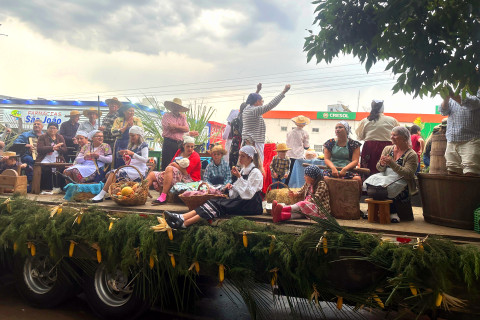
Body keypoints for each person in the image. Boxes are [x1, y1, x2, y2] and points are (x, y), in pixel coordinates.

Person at [163, 145, 263, 229]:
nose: (239, 158)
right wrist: (231, 187)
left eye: (243, 156)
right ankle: (182, 218)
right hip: (242, 200)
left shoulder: (256, 173)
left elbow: (249, 193)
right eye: (240, 155)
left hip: (252, 204)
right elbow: (240, 189)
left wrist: (239, 178)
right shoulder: (243, 170)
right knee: (213, 201)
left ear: (250, 158)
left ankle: (184, 222)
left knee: (218, 205)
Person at [366, 126, 418, 223]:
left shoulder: (411, 154)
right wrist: (382, 163)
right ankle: (375, 211)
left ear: (404, 137)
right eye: (391, 135)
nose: (391, 137)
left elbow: (409, 174)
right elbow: (379, 168)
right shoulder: (388, 149)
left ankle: (391, 212)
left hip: (401, 180)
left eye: (395, 135)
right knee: (372, 183)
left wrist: (392, 163)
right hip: (385, 177)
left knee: (385, 186)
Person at [91, 126, 149, 203]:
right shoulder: (131, 146)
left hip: (138, 170)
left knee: (114, 173)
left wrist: (132, 153)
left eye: (133, 135)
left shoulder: (143, 145)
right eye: (130, 136)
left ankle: (101, 194)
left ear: (138, 135)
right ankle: (113, 193)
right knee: (109, 175)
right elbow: (130, 161)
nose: (131, 138)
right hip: (130, 168)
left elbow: (145, 160)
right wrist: (126, 156)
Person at [241, 84, 291, 161]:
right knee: (257, 164)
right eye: (262, 101)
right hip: (255, 142)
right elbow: (270, 105)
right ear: (257, 102)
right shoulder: (255, 110)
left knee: (247, 164)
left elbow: (252, 99)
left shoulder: (246, 109)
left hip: (247, 141)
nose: (262, 103)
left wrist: (257, 91)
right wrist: (284, 92)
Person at [147, 135, 201, 205]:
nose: (190, 148)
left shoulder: (195, 156)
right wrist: (166, 172)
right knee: (152, 174)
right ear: (183, 145)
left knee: (169, 169)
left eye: (192, 146)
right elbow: (171, 163)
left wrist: (175, 165)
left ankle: (163, 197)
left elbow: (186, 172)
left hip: (189, 178)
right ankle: (140, 193)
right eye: (188, 146)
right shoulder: (179, 152)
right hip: (176, 174)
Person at [441, 90, 480, 176]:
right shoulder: (456, 91)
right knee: (452, 173)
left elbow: (474, 104)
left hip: (471, 140)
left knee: (471, 173)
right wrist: (446, 98)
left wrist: (453, 95)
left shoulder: (476, 88)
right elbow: (443, 111)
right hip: (452, 140)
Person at [356, 100, 400, 175]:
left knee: (368, 171)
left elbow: (360, 136)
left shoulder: (365, 120)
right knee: (387, 171)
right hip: (388, 148)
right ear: (382, 108)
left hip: (370, 148)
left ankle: (366, 185)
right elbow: (399, 135)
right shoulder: (392, 120)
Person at [228, 83, 262, 168]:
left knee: (234, 165)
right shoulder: (249, 119)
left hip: (235, 145)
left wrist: (257, 91)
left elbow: (231, 135)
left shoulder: (234, 120)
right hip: (245, 143)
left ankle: (234, 180)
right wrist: (257, 91)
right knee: (246, 165)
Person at [323, 121, 362, 191]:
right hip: (332, 169)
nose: (337, 129)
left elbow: (355, 161)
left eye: (340, 127)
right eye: (336, 128)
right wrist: (333, 168)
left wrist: (345, 169)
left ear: (346, 130)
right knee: (326, 178)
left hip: (348, 169)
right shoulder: (330, 143)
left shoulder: (354, 144)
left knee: (357, 179)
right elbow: (327, 159)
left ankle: (355, 201)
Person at [161, 98, 198, 171]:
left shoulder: (182, 117)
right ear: (171, 107)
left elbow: (186, 129)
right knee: (167, 164)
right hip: (169, 143)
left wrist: (175, 126)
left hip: (179, 144)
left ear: (180, 108)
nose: (176, 108)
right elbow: (170, 128)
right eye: (174, 106)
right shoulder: (166, 116)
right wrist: (181, 128)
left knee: (178, 164)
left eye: (177, 107)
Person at [36, 122, 68, 194]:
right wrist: (52, 148)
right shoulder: (42, 137)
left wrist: (58, 148)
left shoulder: (60, 137)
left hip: (57, 157)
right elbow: (39, 149)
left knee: (61, 168)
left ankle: (59, 187)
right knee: (46, 168)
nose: (52, 130)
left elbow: (65, 149)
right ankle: (46, 188)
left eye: (54, 128)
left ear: (57, 129)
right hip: (45, 157)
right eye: (50, 128)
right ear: (47, 129)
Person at [13, 119, 44, 184]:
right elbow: (15, 143)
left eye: (38, 124)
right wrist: (26, 145)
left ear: (42, 126)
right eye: (35, 124)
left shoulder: (45, 136)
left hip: (42, 156)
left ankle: (43, 183)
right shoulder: (26, 134)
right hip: (27, 155)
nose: (36, 125)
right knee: (29, 159)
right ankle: (31, 182)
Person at [286, 115, 310, 184]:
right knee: (297, 174)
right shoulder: (305, 133)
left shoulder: (289, 132)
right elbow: (306, 146)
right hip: (298, 156)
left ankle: (286, 187)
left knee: (288, 173)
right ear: (304, 124)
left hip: (289, 155)